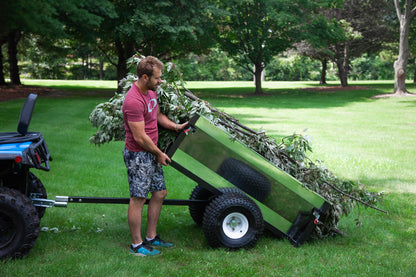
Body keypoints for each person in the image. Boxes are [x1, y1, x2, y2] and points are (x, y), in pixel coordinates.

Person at [122, 56, 187, 256]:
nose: (160, 81)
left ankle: (151, 237)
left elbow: (156, 115)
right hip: (139, 155)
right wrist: (159, 153)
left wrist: (176, 126)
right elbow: (140, 137)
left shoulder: (150, 92)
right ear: (144, 77)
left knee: (159, 193)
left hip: (151, 151)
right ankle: (137, 244)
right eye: (157, 78)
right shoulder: (133, 100)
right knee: (138, 198)